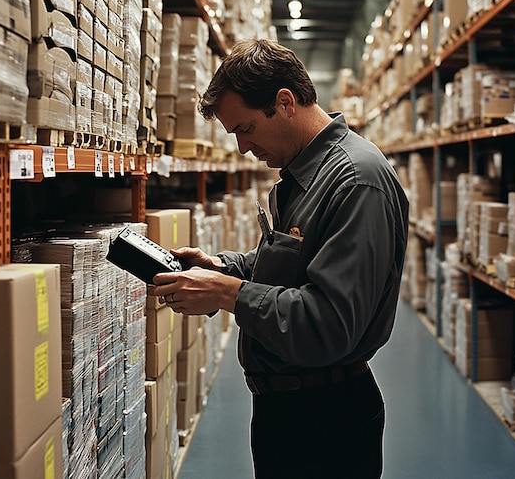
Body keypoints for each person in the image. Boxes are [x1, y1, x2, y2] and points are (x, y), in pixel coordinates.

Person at [152, 38, 409, 479]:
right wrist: (223, 268)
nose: (243, 149)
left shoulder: (356, 181)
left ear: (285, 103)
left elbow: (329, 324)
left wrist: (230, 295)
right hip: (287, 410)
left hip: (327, 425)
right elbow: (292, 266)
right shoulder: (301, 173)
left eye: (246, 129)